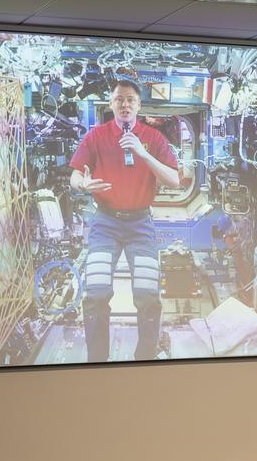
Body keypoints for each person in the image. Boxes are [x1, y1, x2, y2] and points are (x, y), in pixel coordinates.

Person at [69, 77, 180, 363]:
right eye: (119, 99)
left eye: (131, 99)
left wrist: (143, 153)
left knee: (147, 295)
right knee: (95, 293)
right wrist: (82, 184)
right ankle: (98, 363)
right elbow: (75, 175)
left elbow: (174, 180)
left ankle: (144, 360)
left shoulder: (154, 139)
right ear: (111, 104)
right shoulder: (95, 136)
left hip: (140, 224)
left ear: (139, 105)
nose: (125, 104)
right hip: (105, 222)